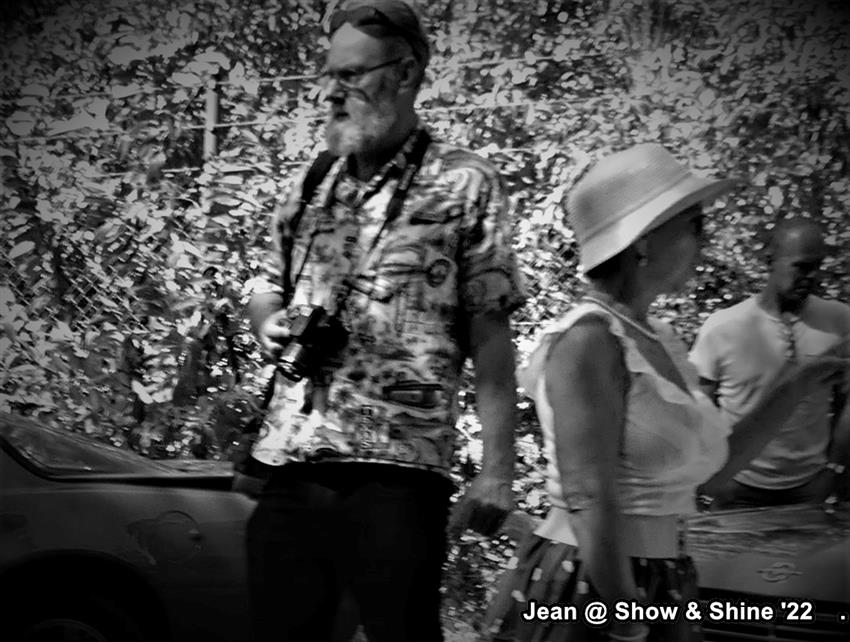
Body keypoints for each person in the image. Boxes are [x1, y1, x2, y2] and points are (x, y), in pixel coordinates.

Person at [482, 144, 847, 642]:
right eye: (694, 224)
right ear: (643, 242)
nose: (705, 240)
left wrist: (800, 382)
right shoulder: (590, 341)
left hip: (659, 577)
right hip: (592, 584)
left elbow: (714, 471)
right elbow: (588, 496)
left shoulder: (657, 339)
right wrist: (624, 613)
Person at [243, 1, 526, 641]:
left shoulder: (465, 183)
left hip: (398, 472)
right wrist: (267, 321)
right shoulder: (311, 181)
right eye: (329, 74)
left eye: (352, 75)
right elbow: (265, 284)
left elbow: (490, 334)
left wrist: (497, 472)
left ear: (404, 74)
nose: (332, 91)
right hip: (293, 459)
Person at [689, 217, 850, 509]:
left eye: (818, 266)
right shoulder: (723, 328)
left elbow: (846, 402)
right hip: (736, 489)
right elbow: (698, 412)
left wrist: (834, 469)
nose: (813, 276)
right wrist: (709, 480)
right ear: (769, 261)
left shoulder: (839, 321)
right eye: (802, 266)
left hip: (810, 487)